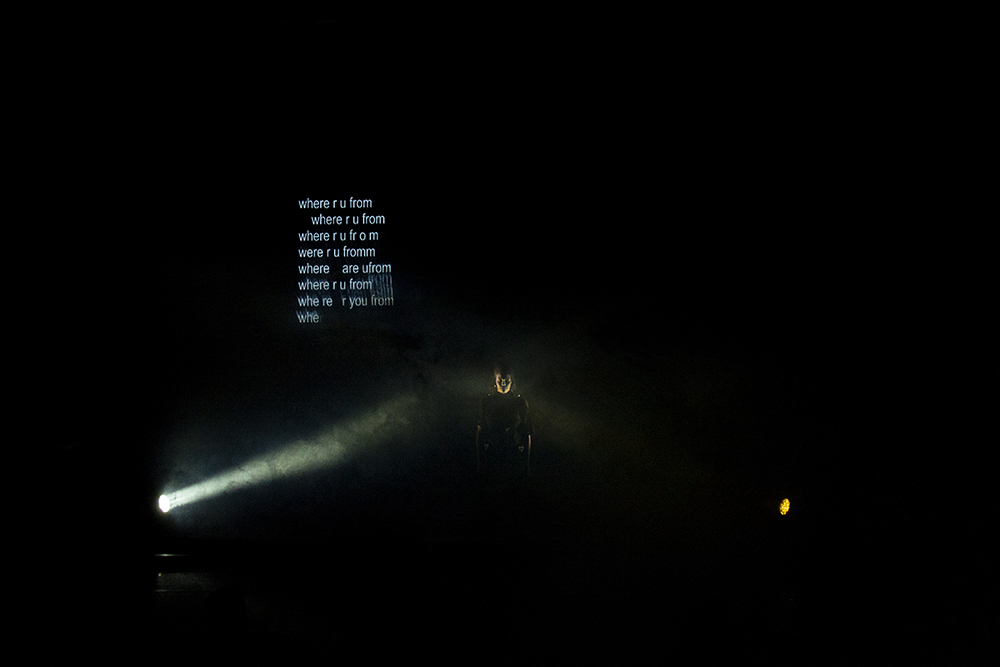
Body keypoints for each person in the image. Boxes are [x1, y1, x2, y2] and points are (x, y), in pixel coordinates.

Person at [476, 363, 532, 478]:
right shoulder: (487, 402)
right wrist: (481, 462)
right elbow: (480, 432)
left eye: (506, 380)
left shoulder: (520, 403)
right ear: (495, 381)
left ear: (511, 382)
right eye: (500, 380)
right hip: (493, 455)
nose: (503, 384)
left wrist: (525, 464)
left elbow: (527, 433)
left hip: (513, 456)